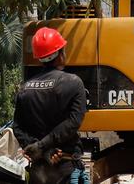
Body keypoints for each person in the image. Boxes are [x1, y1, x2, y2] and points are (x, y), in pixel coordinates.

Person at [14, 27, 89, 184]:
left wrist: (37, 148)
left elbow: (18, 127)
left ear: (40, 58)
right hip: (65, 168)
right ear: (60, 54)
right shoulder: (73, 83)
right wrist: (43, 146)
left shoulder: (25, 88)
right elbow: (73, 122)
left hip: (39, 171)